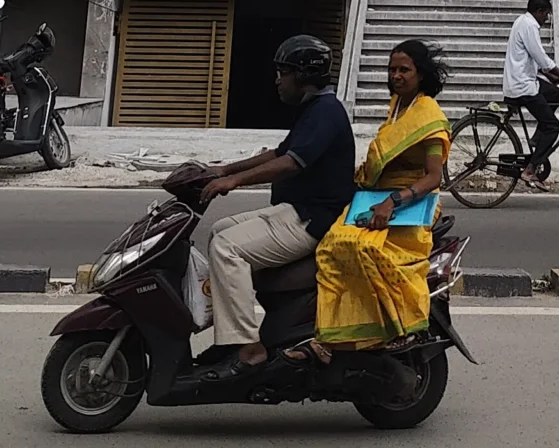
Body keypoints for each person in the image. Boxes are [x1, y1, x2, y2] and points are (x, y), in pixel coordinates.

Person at [191, 33, 355, 369]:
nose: (278, 80)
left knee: (227, 249)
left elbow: (291, 163)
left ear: (303, 75)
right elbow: (279, 153)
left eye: (284, 72)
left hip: (311, 220)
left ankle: (248, 348)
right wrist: (224, 169)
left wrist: (234, 182)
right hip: (293, 212)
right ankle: (232, 334)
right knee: (219, 230)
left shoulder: (326, 112)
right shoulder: (314, 109)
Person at [306, 38, 452, 357]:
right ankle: (336, 336)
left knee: (367, 248)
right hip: (376, 194)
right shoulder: (397, 106)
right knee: (330, 247)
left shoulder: (429, 116)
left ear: (420, 74)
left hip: (413, 200)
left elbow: (433, 177)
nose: (396, 76)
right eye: (392, 69)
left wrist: (393, 202)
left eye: (404, 70)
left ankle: (403, 326)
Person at [502, 0, 559, 190]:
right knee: (553, 126)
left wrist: (550, 76)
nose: (547, 19)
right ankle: (530, 169)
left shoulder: (522, 21)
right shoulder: (530, 25)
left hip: (521, 80)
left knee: (555, 93)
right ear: (539, 11)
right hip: (523, 87)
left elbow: (530, 57)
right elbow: (540, 56)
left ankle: (537, 137)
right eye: (546, 14)